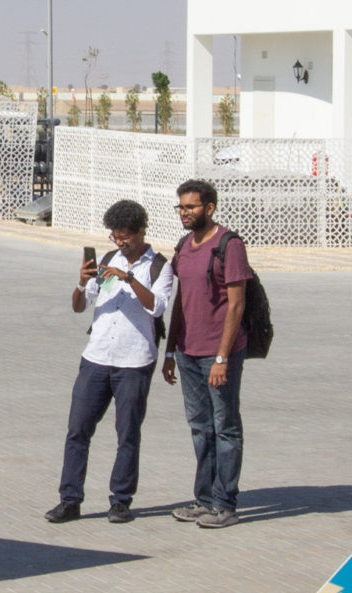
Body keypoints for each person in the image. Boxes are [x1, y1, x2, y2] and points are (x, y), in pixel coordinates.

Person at [45, 199, 173, 524]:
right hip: (96, 359)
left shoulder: (159, 266)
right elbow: (79, 306)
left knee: (127, 433)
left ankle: (121, 501)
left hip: (134, 362)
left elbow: (157, 307)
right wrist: (80, 281)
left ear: (141, 231)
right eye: (115, 236)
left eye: (125, 236)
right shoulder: (105, 261)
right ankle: (70, 499)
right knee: (78, 430)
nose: (120, 242)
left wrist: (128, 279)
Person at [162, 179, 253, 529]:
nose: (184, 213)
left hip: (218, 353)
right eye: (181, 207)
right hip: (187, 352)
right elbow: (181, 301)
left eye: (191, 207)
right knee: (200, 428)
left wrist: (222, 358)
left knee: (226, 427)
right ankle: (204, 499)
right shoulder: (184, 245)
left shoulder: (229, 245)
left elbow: (236, 305)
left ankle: (225, 504)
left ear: (210, 208)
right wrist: (170, 351)